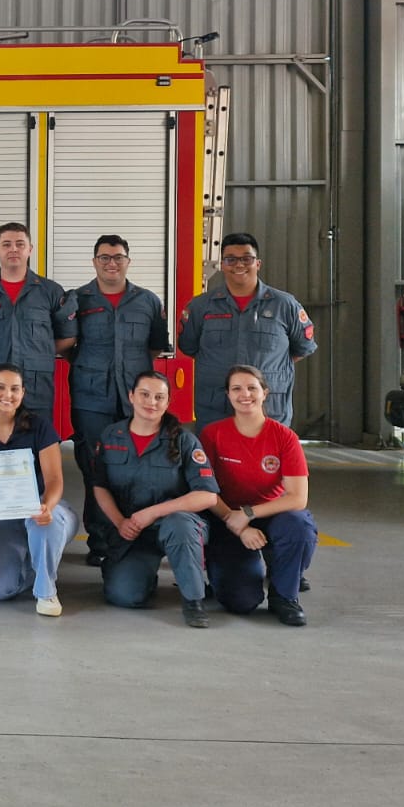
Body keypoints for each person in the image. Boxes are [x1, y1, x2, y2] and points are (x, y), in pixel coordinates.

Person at [66, 235, 170, 566]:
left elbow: (154, 347)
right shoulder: (78, 300)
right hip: (91, 398)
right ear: (94, 261)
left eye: (118, 257)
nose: (112, 263)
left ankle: (133, 536)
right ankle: (99, 541)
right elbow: (66, 345)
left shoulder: (148, 301)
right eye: (104, 257)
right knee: (96, 466)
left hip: (137, 401)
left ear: (128, 261)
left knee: (134, 467)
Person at [87, 371, 220, 627]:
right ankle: (142, 575)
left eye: (160, 397)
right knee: (124, 595)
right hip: (133, 532)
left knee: (179, 524)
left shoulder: (184, 440)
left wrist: (154, 512)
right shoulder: (111, 436)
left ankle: (193, 600)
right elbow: (100, 486)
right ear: (131, 397)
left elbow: (207, 495)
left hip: (176, 526)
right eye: (145, 395)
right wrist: (119, 522)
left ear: (168, 402)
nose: (151, 402)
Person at [198, 365, 318, 626]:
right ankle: (230, 575)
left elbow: (298, 498)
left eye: (252, 388)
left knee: (299, 527)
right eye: (237, 389)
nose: (245, 394)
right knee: (241, 602)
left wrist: (249, 514)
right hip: (227, 518)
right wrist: (238, 524)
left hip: (270, 513)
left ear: (265, 393)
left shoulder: (284, 437)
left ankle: (284, 595)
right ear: (228, 395)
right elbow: (205, 489)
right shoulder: (213, 434)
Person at [0, 363, 79, 616]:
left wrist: (47, 505)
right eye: (0, 388)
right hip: (4, 516)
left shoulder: (39, 427)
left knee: (43, 523)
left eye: (15, 389)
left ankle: (46, 593)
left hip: (44, 508)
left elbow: (55, 479)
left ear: (23, 393)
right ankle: (37, 566)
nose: (7, 395)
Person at [177, 232, 317, 427]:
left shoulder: (285, 306)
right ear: (222, 265)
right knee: (213, 457)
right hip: (216, 410)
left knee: (268, 458)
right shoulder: (200, 307)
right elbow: (189, 346)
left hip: (268, 410)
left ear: (257, 264)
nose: (239, 265)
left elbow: (301, 348)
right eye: (231, 260)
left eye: (246, 259)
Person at [0, 222, 76, 420]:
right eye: (6, 244)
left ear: (30, 249)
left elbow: (67, 336)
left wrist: (39, 352)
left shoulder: (50, 291)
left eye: (20, 244)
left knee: (36, 446)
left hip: (35, 390)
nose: (13, 249)